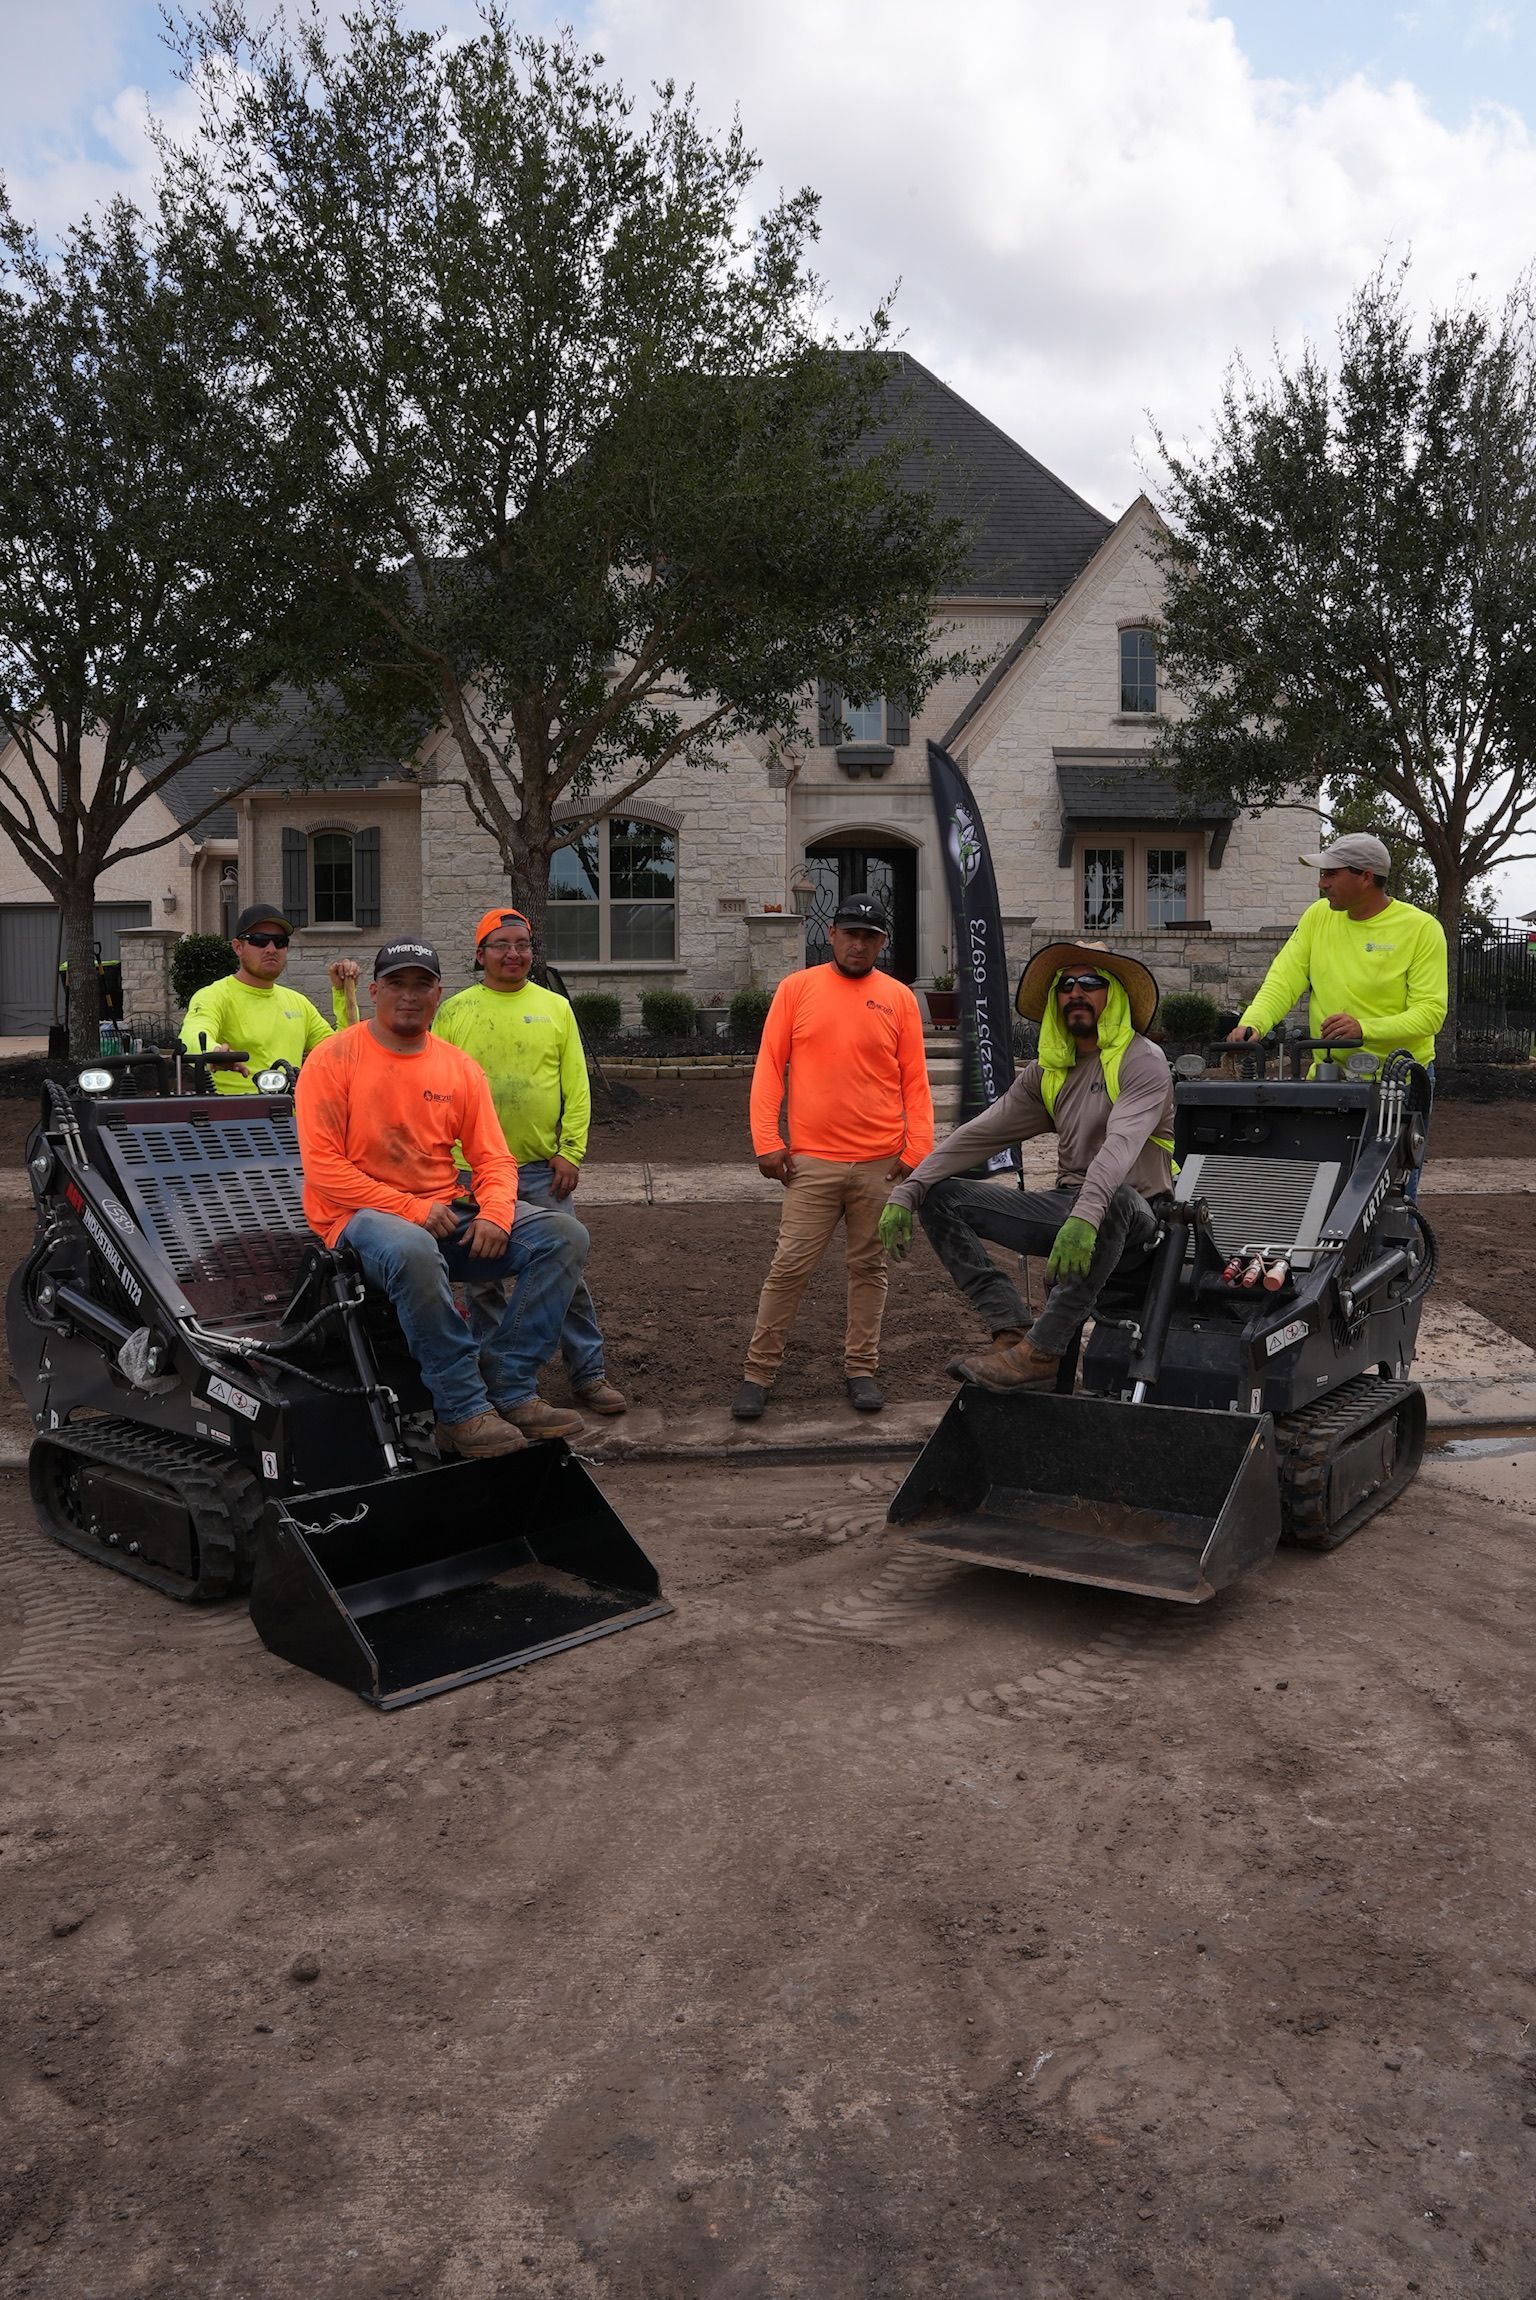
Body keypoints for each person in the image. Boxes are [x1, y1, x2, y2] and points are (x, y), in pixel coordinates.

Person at [293, 938, 590, 1459]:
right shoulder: (333, 1059)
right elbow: (324, 1170)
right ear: (374, 990)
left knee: (563, 1235)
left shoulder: (457, 1067)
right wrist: (411, 1209)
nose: (409, 996)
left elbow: (494, 1158)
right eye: (396, 984)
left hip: (443, 1208)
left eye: (421, 985)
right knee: (412, 1249)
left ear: (438, 993)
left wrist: (497, 1213)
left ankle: (510, 1385)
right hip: (357, 1217)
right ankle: (461, 1409)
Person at [878, 942, 1173, 1392]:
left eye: (1091, 982)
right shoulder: (1048, 1071)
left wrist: (1084, 1217)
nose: (1076, 991)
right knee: (941, 1196)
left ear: (1114, 995)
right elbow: (979, 1133)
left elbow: (1121, 1146)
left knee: (1116, 1198)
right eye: (1065, 984)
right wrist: (908, 1189)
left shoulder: (1142, 1061)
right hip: (1067, 1205)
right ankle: (1011, 1331)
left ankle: (1042, 1354)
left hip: (1137, 1218)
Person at [733, 893, 934, 1420]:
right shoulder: (797, 990)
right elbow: (769, 1068)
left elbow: (915, 1080)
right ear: (831, 935)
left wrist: (918, 1149)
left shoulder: (900, 998)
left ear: (882, 943)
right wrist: (766, 1142)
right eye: (850, 933)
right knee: (789, 1267)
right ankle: (758, 1373)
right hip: (811, 1164)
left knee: (869, 1269)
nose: (858, 943)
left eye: (870, 936)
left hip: (881, 1164)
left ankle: (861, 1368)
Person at [434, 905, 626, 1416]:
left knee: (568, 1272)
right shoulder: (454, 1012)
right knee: (482, 1281)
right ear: (480, 955)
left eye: (522, 944)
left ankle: (587, 1373)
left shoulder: (555, 1008)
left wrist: (571, 1151)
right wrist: (449, 1163)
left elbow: (576, 1087)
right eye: (501, 945)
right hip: (471, 1172)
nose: (513, 953)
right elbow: (435, 1087)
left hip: (543, 1170)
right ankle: (494, 1376)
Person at [1228, 833, 1447, 1068]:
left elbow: (1430, 1013)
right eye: (1323, 874)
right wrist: (1253, 1023)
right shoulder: (1317, 915)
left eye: (1331, 873)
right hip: (1328, 1075)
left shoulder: (1421, 928)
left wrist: (1363, 1028)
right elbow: (1284, 980)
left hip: (1400, 1078)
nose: (1321, 883)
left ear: (1366, 877)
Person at [180, 903, 359, 1092]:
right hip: (234, 1118)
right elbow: (192, 1036)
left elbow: (343, 1053)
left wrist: (343, 994)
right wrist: (215, 1053)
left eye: (280, 941)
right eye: (259, 940)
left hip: (291, 1117)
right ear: (238, 947)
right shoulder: (214, 996)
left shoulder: (298, 1003)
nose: (272, 949)